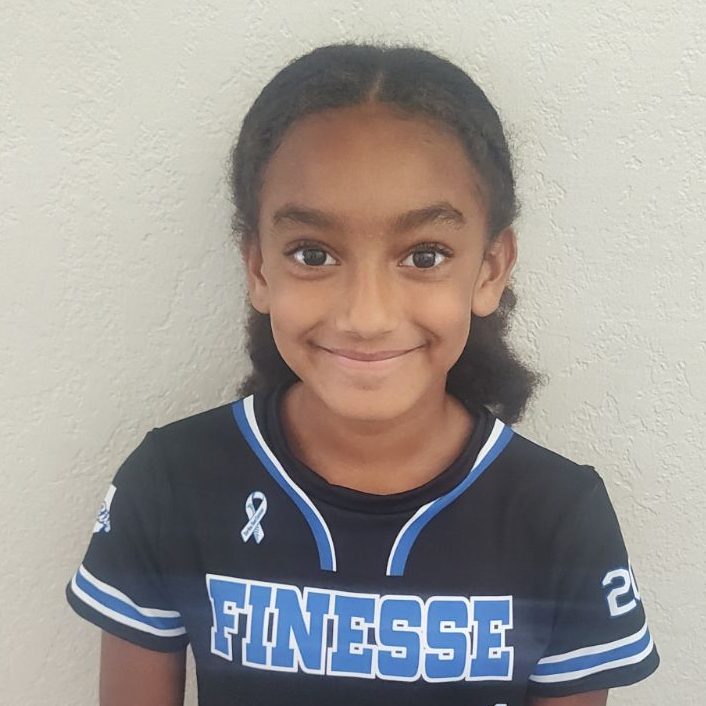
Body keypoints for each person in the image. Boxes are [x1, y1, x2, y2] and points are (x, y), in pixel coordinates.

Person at [65, 42, 659, 706]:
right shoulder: (172, 482)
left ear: (490, 269)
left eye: (425, 255)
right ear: (258, 268)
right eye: (312, 254)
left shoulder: (558, 516)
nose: (366, 316)